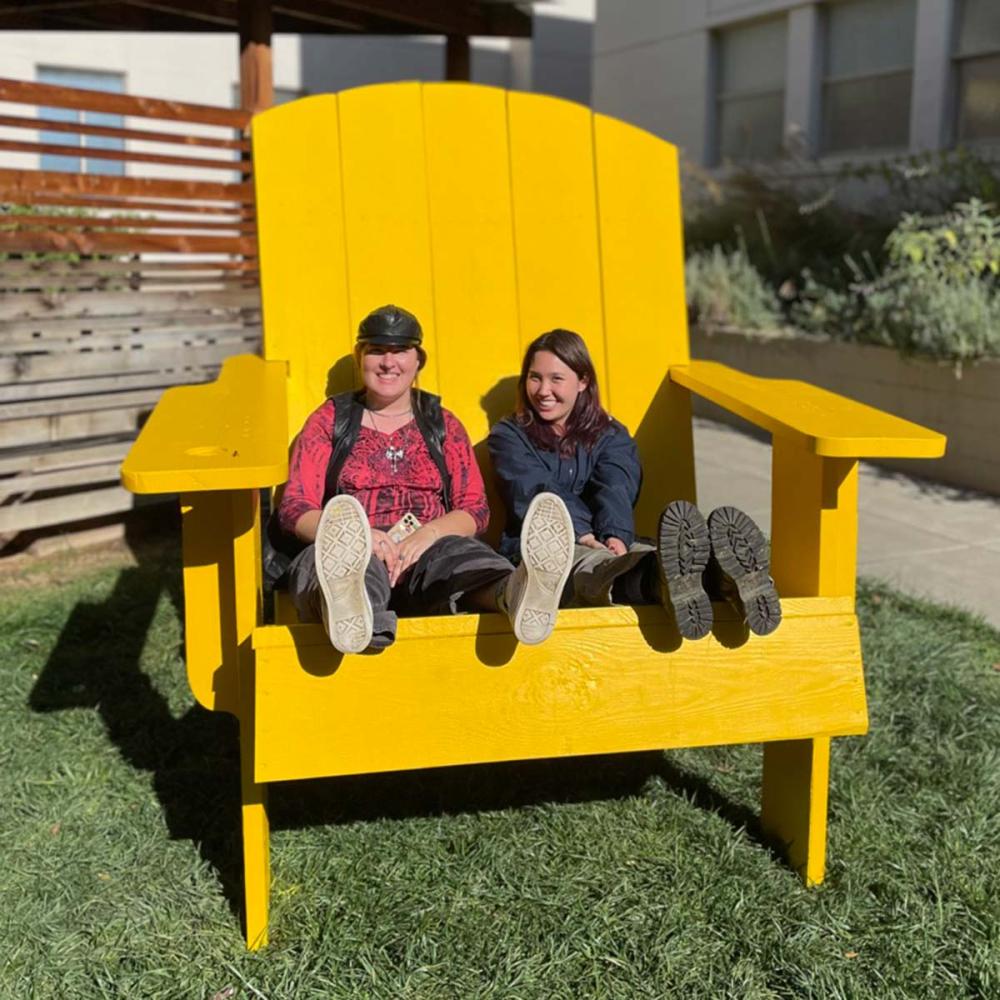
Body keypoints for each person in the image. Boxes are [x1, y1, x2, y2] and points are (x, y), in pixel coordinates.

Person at [275, 305, 575, 654]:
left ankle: (515, 593)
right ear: (360, 357)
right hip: (355, 549)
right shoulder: (329, 421)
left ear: (418, 360)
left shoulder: (442, 424)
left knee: (462, 558)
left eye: (400, 351)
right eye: (376, 351)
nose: (389, 363)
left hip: (429, 549)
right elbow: (295, 508)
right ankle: (349, 608)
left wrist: (428, 534)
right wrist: (358, 539)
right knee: (331, 567)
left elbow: (475, 509)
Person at [487, 329, 782, 639]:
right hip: (543, 552)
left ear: (583, 381)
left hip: (609, 539)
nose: (543, 390)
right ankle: (664, 580)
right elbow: (532, 487)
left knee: (649, 552)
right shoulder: (510, 436)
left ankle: (724, 577)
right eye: (535, 378)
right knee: (593, 568)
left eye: (556, 379)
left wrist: (615, 534)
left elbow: (616, 483)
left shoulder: (610, 434)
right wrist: (585, 535)